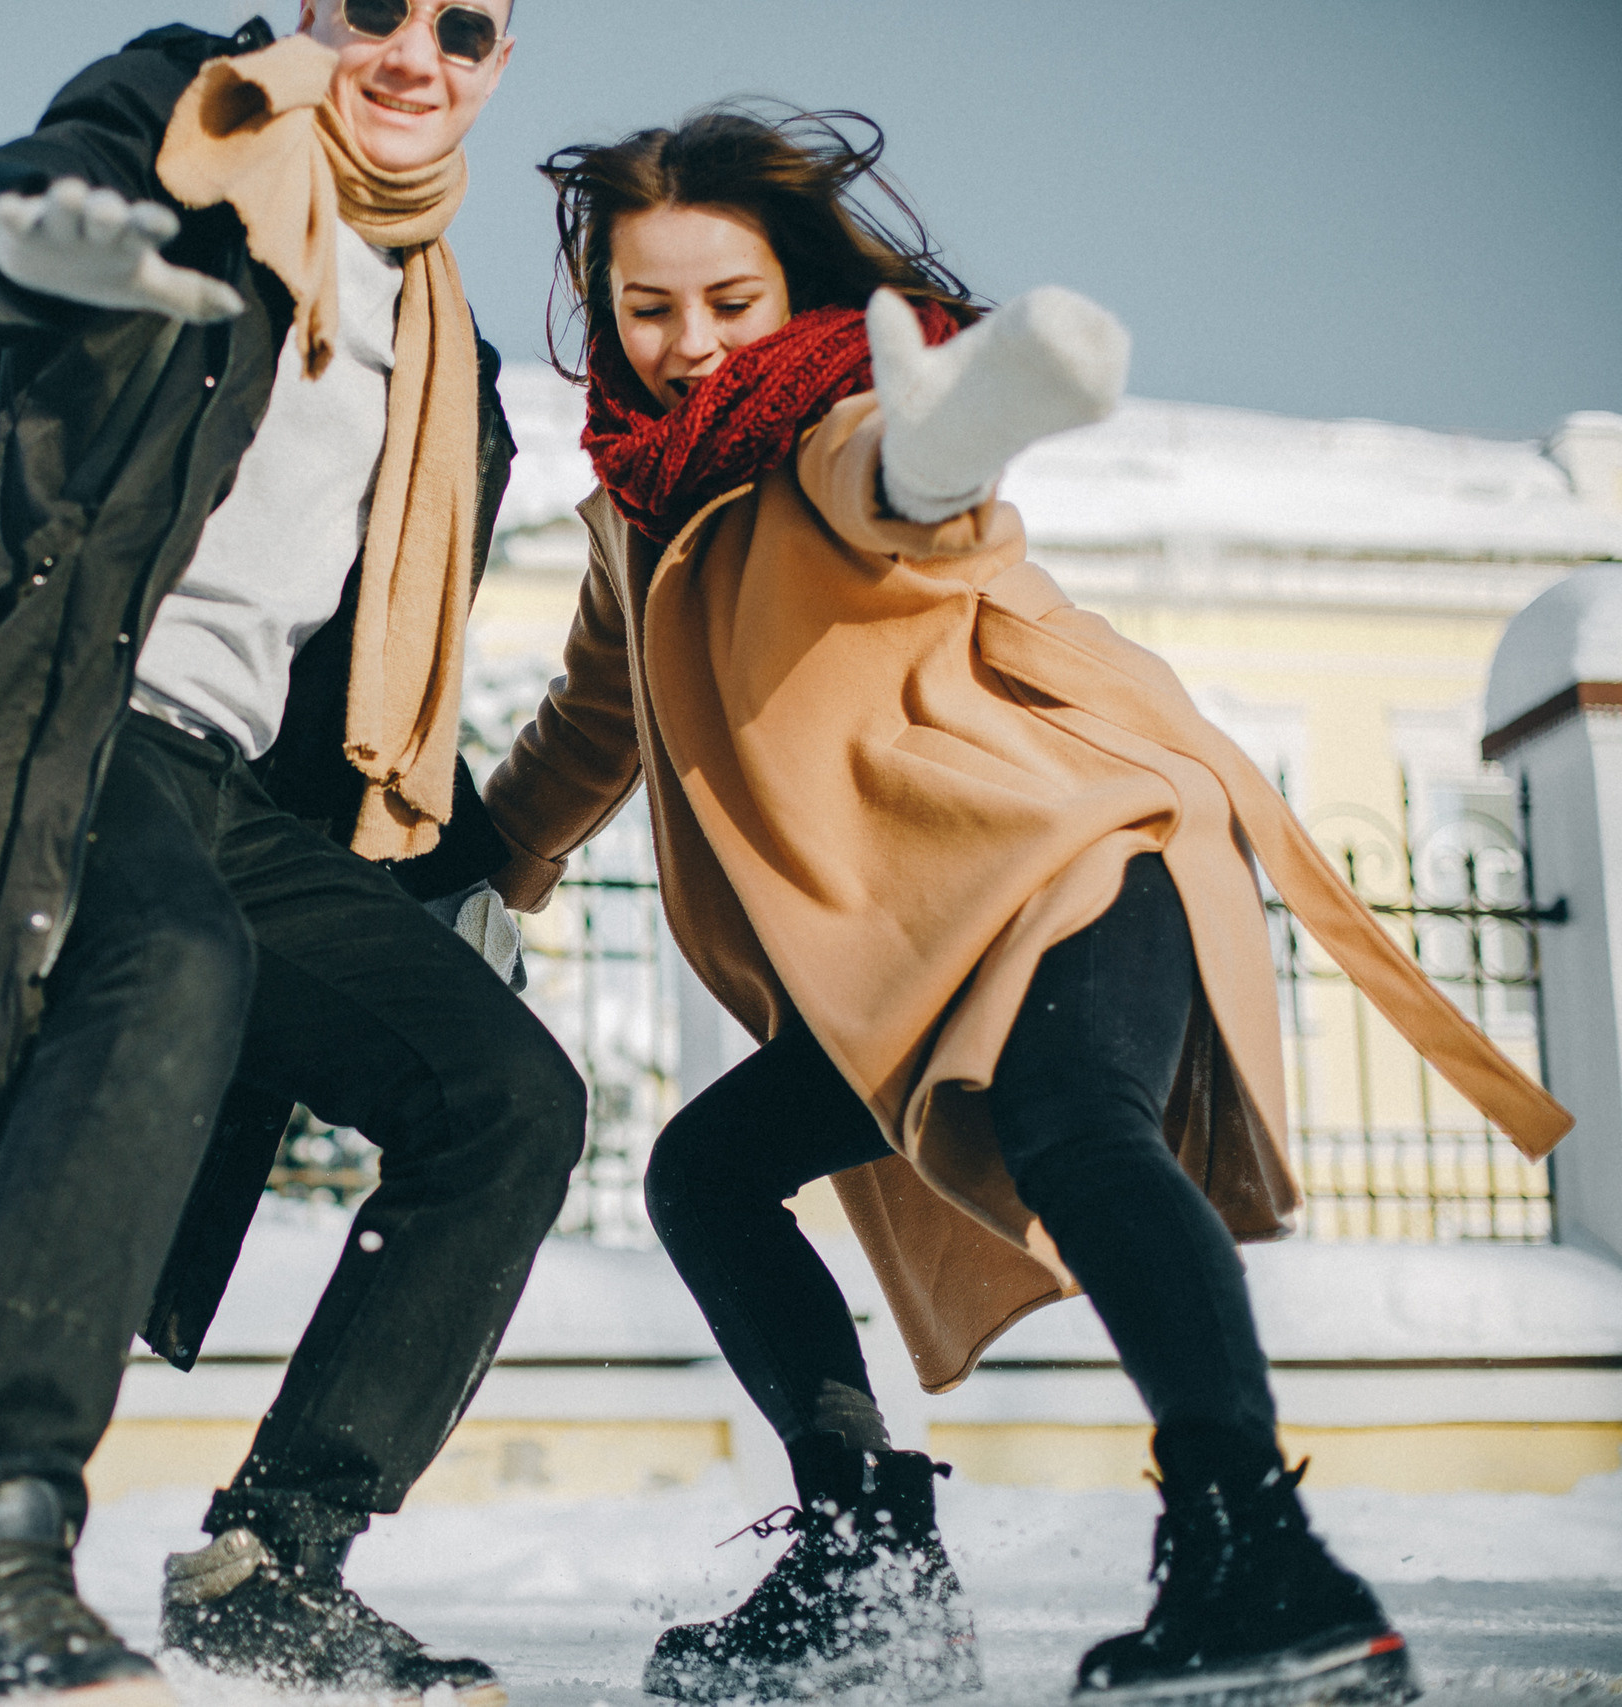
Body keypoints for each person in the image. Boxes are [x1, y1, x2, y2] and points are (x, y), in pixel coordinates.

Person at [483, 108, 1572, 1706]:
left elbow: (907, 484)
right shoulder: (638, 510)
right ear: (604, 315)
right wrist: (458, 885)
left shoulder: (840, 422)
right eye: (649, 310)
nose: (691, 344)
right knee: (708, 1175)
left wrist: (967, 417)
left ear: (795, 293)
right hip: (913, 949)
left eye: (730, 301)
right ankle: (867, 1558)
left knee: (1077, 1126)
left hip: (1069, 855)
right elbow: (592, 725)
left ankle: (1257, 1558)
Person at [0, 4, 584, 1704]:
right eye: (372, 11)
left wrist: (450, 867)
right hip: (53, 716)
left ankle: (276, 1560)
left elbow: (369, 669)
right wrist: (35, 237)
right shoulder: (195, 118)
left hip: (229, 791)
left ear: (500, 63)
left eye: (462, 27)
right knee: (175, 961)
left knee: (509, 1098)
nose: (413, 53)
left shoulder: (451, 353)